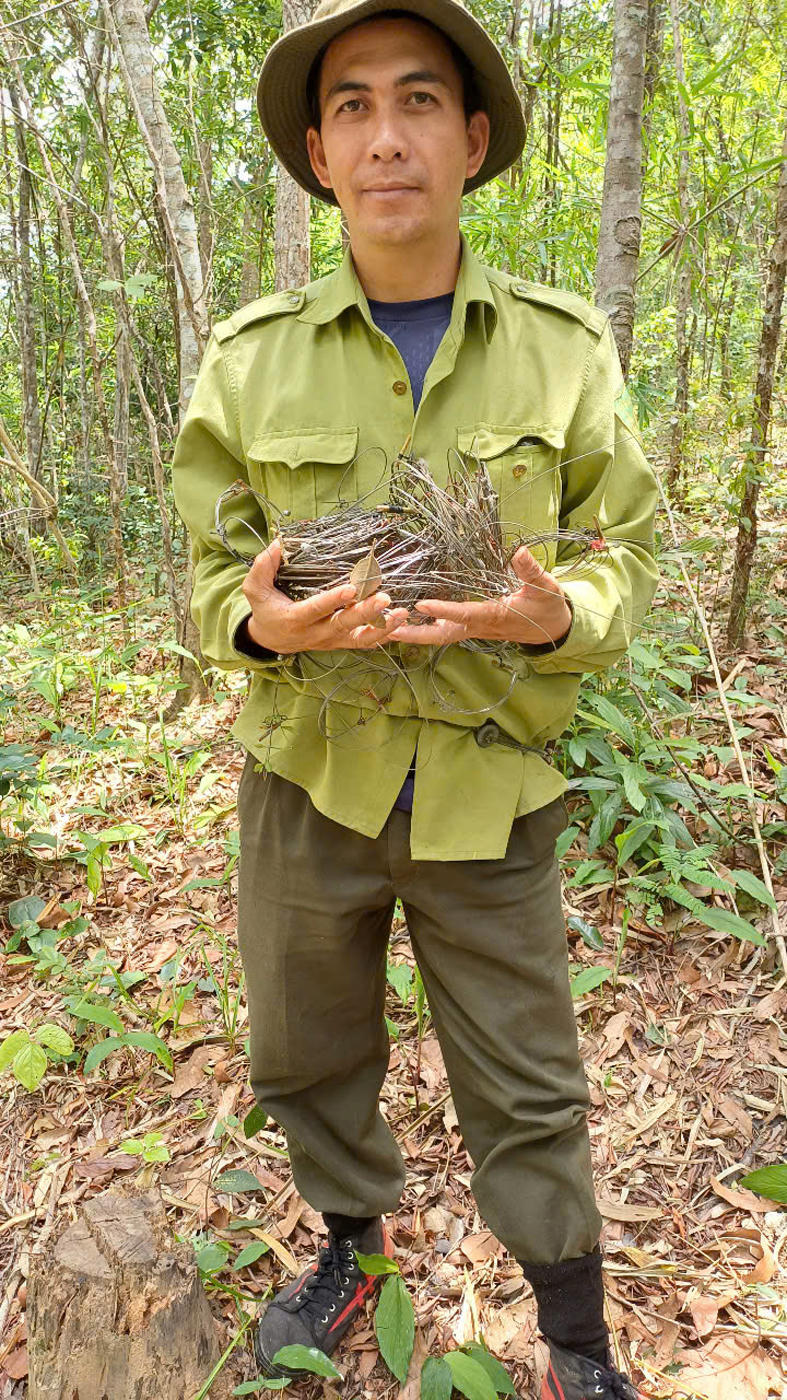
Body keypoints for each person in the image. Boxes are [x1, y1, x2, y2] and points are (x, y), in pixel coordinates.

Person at [171, 2, 659, 1395]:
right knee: (305, 1047)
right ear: (321, 154)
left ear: (475, 135)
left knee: (526, 1076)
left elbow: (628, 548)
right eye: (355, 109)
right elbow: (211, 569)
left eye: (422, 101)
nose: (389, 136)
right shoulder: (250, 359)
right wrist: (260, 629)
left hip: (490, 783)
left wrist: (563, 612)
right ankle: (352, 1249)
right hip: (306, 778)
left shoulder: (562, 349)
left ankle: (574, 1340)